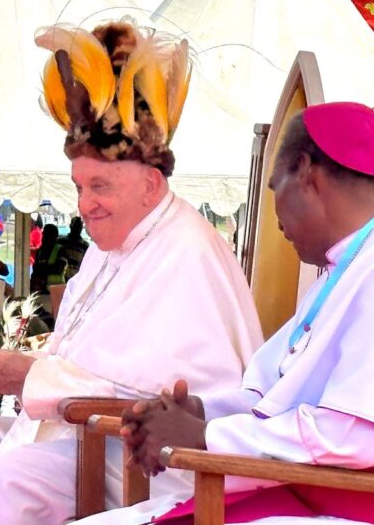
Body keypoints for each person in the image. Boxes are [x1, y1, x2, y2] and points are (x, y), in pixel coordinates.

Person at [0, 20, 264, 525]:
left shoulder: (188, 252)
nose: (86, 205)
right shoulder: (114, 243)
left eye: (99, 186)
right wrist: (24, 364)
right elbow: (87, 350)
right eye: (79, 187)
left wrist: (34, 375)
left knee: (4, 482)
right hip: (83, 433)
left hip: (145, 461)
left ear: (150, 184)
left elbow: (171, 397)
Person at [78, 103, 374, 524]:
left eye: (275, 188)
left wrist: (204, 437)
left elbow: (355, 434)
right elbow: (269, 397)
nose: (275, 218)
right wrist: (198, 413)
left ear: (305, 170)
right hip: (297, 490)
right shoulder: (340, 269)